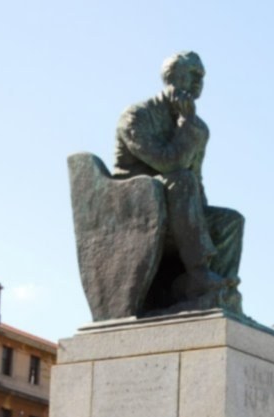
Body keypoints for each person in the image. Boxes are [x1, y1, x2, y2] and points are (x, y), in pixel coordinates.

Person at [113, 51, 244, 310]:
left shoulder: (198, 127)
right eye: (193, 75)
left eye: (202, 78)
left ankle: (220, 290)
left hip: (179, 204)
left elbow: (197, 178)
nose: (198, 83)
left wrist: (202, 217)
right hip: (135, 205)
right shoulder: (138, 115)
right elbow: (168, 163)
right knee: (180, 179)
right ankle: (199, 273)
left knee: (231, 220)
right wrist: (186, 125)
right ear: (172, 77)